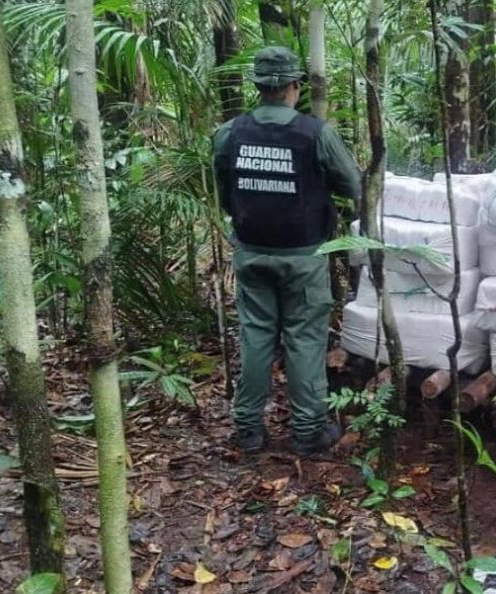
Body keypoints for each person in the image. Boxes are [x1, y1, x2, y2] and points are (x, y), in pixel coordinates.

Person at [213, 46, 361, 457]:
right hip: (303, 256)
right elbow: (354, 185)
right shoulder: (315, 133)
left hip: (252, 253)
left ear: (258, 86)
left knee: (256, 338)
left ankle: (247, 430)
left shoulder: (231, 133)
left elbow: (226, 197)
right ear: (295, 86)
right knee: (304, 339)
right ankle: (308, 430)